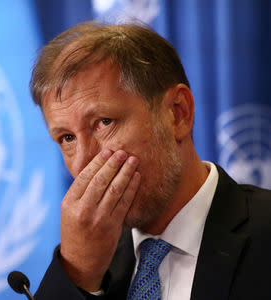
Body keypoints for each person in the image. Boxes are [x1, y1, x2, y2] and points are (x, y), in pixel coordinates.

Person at [29, 21, 271, 300]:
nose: (83, 163)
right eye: (67, 138)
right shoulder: (88, 264)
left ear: (177, 114)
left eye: (104, 122)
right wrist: (78, 274)